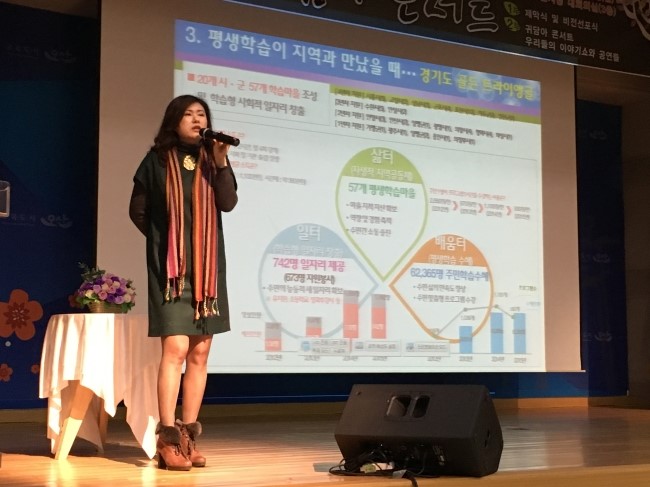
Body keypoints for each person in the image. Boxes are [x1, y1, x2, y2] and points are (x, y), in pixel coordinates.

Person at [129, 94, 238, 471]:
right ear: (173, 121)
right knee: (175, 348)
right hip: (173, 274)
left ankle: (189, 436)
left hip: (208, 271)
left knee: (200, 353)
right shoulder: (157, 160)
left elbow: (228, 203)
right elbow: (138, 211)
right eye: (189, 114)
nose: (196, 119)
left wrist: (221, 162)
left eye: (201, 114)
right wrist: (168, 247)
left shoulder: (214, 158)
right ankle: (167, 438)